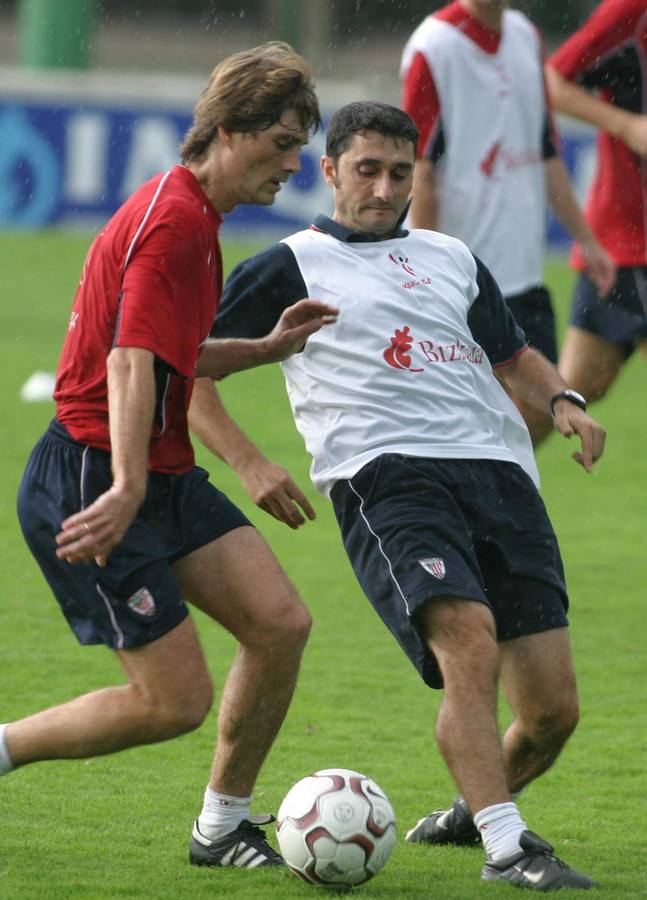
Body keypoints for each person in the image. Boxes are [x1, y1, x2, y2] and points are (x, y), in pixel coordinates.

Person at [190, 101, 605, 891]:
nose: (383, 189)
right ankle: (508, 848)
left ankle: (471, 809)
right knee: (468, 643)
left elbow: (511, 352)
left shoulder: (449, 254)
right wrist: (250, 464)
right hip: (385, 475)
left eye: (398, 173)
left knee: (551, 714)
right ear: (330, 171)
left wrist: (562, 402)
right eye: (366, 170)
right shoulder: (290, 263)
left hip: (500, 474)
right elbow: (183, 371)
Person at [2, 42, 339, 871]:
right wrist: (124, 483)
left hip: (155, 472)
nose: (292, 166)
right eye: (280, 144)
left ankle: (221, 828)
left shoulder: (194, 216)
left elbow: (175, 351)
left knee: (280, 623)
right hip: (91, 472)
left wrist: (264, 348)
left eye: (299, 147)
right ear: (228, 130)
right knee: (172, 701)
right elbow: (127, 362)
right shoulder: (174, 220)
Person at [400, 0, 615, 447]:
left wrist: (586, 238)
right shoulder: (434, 45)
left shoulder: (524, 35)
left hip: (524, 273)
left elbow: (544, 149)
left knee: (540, 413)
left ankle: (485, 506)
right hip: (465, 277)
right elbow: (421, 168)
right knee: (474, 425)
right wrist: (426, 269)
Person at [546, 0, 647, 403]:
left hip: (624, 243)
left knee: (570, 395)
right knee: (567, 395)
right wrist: (627, 125)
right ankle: (473, 456)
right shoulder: (632, 9)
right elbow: (552, 81)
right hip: (630, 238)